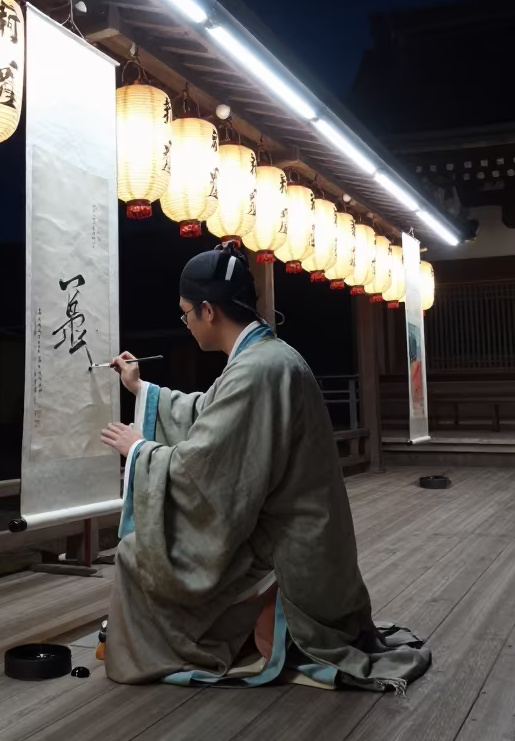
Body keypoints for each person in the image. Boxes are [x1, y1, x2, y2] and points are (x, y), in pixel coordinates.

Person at [97, 241, 431, 692]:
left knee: (137, 555)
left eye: (186, 313)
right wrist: (142, 390)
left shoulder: (257, 370)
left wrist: (140, 451)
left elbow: (204, 468)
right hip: (304, 535)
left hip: (287, 552)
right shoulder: (266, 357)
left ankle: (174, 645)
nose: (186, 323)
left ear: (208, 310)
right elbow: (209, 414)